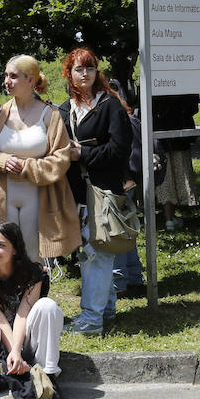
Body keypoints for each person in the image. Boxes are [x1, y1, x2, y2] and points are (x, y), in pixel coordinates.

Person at [0, 55, 80, 263]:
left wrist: (27, 166)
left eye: (13, 76)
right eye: (6, 75)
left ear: (30, 80)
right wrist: (1, 161)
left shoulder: (50, 114)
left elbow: (61, 157)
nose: (7, 81)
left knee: (33, 256)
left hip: (39, 195)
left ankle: (32, 295)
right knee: (2, 256)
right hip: (1, 197)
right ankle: (3, 295)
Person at [60, 48, 132, 336]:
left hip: (105, 191)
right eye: (79, 69)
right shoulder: (65, 109)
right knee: (94, 252)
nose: (85, 74)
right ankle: (107, 309)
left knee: (97, 253)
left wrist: (83, 154)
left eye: (90, 68)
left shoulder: (110, 106)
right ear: (69, 73)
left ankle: (91, 319)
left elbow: (119, 149)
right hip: (77, 192)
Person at [0, 221, 64, 382]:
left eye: (0, 245)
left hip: (24, 339)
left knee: (48, 306)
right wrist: (14, 352)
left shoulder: (32, 272)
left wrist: (17, 351)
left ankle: (47, 374)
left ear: (15, 249)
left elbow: (23, 313)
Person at [152, 94, 199, 230]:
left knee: (165, 178)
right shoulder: (183, 84)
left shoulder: (153, 82)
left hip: (159, 135)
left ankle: (169, 218)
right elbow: (193, 108)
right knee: (179, 173)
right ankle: (170, 218)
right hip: (179, 134)